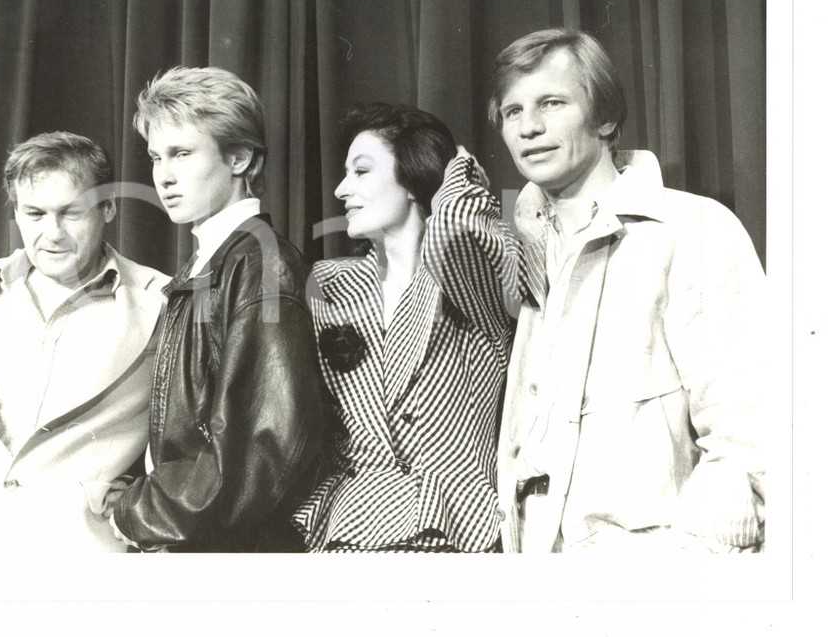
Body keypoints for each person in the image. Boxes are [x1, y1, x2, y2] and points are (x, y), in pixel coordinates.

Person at [487, 28, 766, 552]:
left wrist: (683, 564)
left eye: (552, 103)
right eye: (513, 111)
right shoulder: (524, 249)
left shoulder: (691, 227)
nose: (531, 127)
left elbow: (747, 435)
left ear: (606, 118)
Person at [0, 131, 170, 553]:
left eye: (70, 213)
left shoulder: (160, 302)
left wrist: (133, 497)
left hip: (82, 548)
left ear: (108, 208)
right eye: (34, 214)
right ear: (16, 213)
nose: (51, 233)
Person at [110, 66, 323, 552]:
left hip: (229, 556)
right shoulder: (214, 260)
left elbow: (261, 450)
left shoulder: (260, 263)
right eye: (155, 157)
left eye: (182, 154)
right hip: (199, 546)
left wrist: (140, 514)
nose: (164, 175)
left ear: (241, 158)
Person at [292, 102, 521, 552]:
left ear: (414, 175)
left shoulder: (468, 277)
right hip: (348, 527)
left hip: (455, 526)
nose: (341, 189)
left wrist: (457, 169)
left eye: (361, 172)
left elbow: (453, 231)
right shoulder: (332, 283)